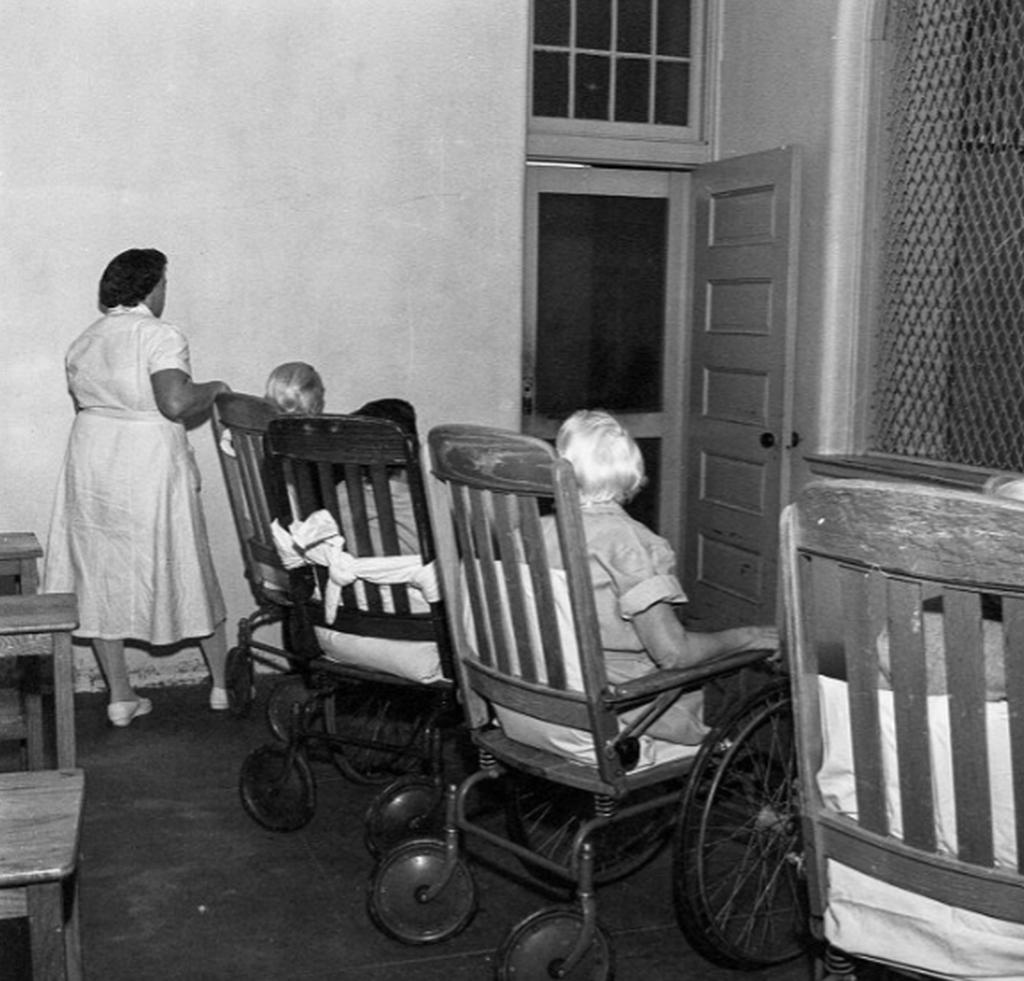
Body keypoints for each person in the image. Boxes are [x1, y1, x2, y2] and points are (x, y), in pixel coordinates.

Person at [44, 248, 232, 727]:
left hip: (94, 459)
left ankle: (121, 697)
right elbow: (175, 402)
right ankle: (221, 686)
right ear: (149, 288)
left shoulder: (85, 340)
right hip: (148, 462)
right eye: (163, 283)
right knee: (187, 562)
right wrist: (216, 388)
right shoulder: (159, 333)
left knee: (100, 573)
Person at [547, 408, 779, 744]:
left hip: (548, 707)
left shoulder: (531, 534)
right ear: (631, 470)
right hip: (628, 715)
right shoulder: (630, 544)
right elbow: (674, 655)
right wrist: (748, 637)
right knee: (756, 682)